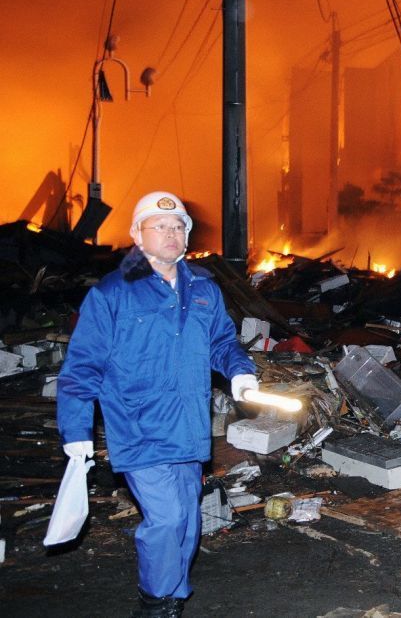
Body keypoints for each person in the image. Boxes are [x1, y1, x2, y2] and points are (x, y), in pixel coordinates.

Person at [57, 191, 258, 617]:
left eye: (178, 226)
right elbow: (82, 366)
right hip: (138, 426)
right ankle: (156, 603)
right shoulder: (113, 294)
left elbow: (222, 340)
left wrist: (239, 370)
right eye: (160, 226)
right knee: (166, 520)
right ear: (137, 234)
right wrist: (75, 430)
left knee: (187, 521)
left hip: (188, 425)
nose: (171, 233)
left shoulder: (203, 287)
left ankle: (171, 594)